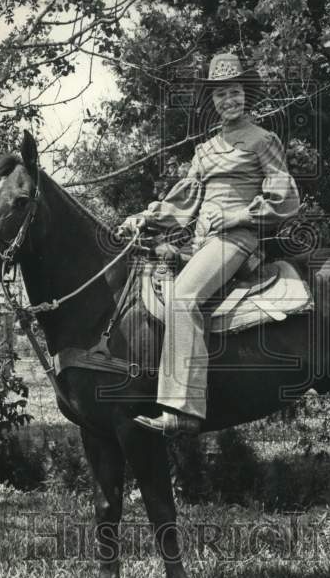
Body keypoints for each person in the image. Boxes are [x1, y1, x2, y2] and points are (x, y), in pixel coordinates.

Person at [118, 52, 301, 435]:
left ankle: (183, 411)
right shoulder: (206, 149)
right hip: (201, 243)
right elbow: (184, 201)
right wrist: (145, 218)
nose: (228, 101)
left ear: (245, 95)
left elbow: (285, 196)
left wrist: (238, 217)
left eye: (234, 93)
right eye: (220, 96)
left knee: (184, 297)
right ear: (213, 102)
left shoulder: (262, 140)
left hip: (235, 240)